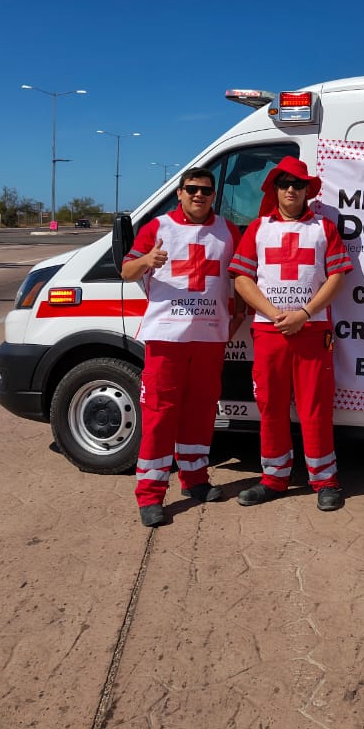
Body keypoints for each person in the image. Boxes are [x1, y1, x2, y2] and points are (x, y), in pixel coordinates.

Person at [120, 167, 242, 528]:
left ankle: (195, 480)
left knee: (201, 413)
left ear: (213, 194)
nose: (198, 195)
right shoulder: (157, 228)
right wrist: (146, 261)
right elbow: (126, 271)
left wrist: (236, 317)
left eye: (205, 190)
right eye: (192, 189)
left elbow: (240, 276)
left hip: (209, 338)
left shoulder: (228, 230)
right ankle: (150, 495)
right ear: (179, 192)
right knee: (160, 415)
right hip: (166, 339)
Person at [230, 156, 352, 511]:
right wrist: (273, 314)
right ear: (274, 189)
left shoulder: (323, 228)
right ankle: (273, 478)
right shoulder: (257, 229)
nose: (291, 190)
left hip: (312, 330)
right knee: (271, 406)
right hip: (270, 333)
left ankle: (325, 480)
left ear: (307, 191)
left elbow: (337, 277)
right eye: (284, 184)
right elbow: (241, 278)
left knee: (315, 406)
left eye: (298, 185)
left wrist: (303, 313)